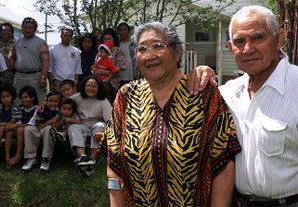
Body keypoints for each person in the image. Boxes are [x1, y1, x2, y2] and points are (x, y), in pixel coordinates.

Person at [100, 22, 241, 206]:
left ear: (177, 52)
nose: (149, 55)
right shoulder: (127, 96)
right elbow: (114, 162)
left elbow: (223, 164)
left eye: (158, 46)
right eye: (142, 49)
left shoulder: (204, 95)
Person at [190, 5, 298, 207]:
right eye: (240, 41)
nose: (248, 49)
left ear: (279, 39)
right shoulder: (227, 94)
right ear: (231, 47)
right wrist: (200, 74)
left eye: (258, 38)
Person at [67, 76, 112, 177]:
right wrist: (44, 103)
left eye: (94, 86)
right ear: (83, 87)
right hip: (82, 124)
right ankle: (83, 157)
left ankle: (92, 159)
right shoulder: (77, 97)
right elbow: (63, 102)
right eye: (88, 85)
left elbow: (110, 120)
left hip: (97, 126)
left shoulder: (103, 101)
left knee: (100, 126)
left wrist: (105, 133)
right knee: (72, 127)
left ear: (99, 88)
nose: (90, 88)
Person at [10, 17, 49, 104]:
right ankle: (19, 117)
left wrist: (43, 77)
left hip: (36, 76)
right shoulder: (17, 43)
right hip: (19, 76)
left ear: (35, 29)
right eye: (25, 27)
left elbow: (45, 60)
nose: (27, 29)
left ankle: (38, 117)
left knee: (38, 100)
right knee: (18, 101)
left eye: (30, 28)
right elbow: (12, 58)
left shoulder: (41, 43)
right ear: (22, 28)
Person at [22, 91, 61, 171]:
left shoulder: (60, 111)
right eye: (50, 101)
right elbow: (39, 125)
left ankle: (46, 159)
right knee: (28, 129)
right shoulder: (41, 109)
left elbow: (57, 124)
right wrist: (49, 122)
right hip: (40, 127)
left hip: (51, 130)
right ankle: (31, 158)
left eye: (56, 101)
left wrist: (50, 123)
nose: (53, 103)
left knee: (48, 129)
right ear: (46, 101)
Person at [6, 86, 39, 167]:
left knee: (20, 129)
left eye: (26, 97)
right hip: (21, 128)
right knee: (10, 131)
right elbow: (16, 121)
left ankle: (18, 155)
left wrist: (16, 125)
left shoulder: (37, 109)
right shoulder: (20, 108)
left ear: (32, 97)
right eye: (22, 98)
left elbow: (31, 124)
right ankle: (7, 157)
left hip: (33, 130)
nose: (23, 100)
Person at [98, 28, 127, 103]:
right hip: (99, 82)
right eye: (105, 39)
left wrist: (107, 78)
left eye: (109, 39)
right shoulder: (100, 52)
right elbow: (96, 66)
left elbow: (119, 68)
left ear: (114, 39)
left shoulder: (118, 51)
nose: (107, 41)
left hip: (113, 83)